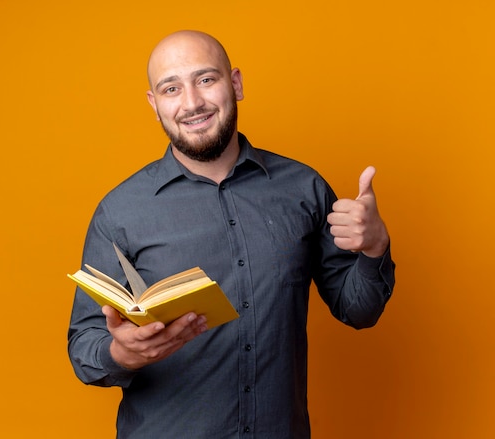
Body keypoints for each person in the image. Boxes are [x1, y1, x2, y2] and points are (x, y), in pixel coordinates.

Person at [68, 30, 395, 439]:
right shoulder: (120, 212)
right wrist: (122, 353)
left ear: (235, 84)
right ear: (154, 104)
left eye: (206, 79)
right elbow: (84, 350)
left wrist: (375, 246)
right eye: (172, 88)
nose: (192, 103)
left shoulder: (304, 189)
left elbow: (359, 310)